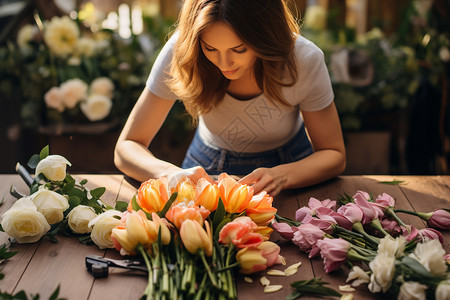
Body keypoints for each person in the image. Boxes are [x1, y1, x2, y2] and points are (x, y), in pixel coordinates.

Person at [114, 0, 346, 197]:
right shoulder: (183, 51)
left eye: (239, 49)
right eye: (210, 48)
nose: (224, 64)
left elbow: (334, 154)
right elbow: (127, 146)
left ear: (266, 36)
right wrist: (168, 174)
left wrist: (282, 175)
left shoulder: (303, 59)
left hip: (293, 167)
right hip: (206, 164)